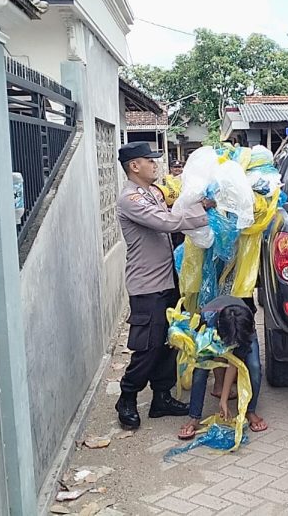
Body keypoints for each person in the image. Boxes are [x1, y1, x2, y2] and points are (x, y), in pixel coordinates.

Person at [115, 141, 216, 430]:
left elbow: (174, 204)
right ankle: (127, 397)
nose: (155, 164)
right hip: (147, 285)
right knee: (147, 346)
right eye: (150, 160)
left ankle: (161, 397)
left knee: (170, 341)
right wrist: (203, 208)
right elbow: (167, 222)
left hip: (166, 279)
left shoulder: (152, 193)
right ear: (134, 166)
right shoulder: (131, 199)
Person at [177, 295, 266, 440]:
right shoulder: (207, 320)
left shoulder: (245, 322)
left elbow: (234, 362)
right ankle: (194, 417)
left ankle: (250, 411)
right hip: (212, 326)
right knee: (200, 370)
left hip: (241, 327)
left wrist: (223, 400)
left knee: (254, 366)